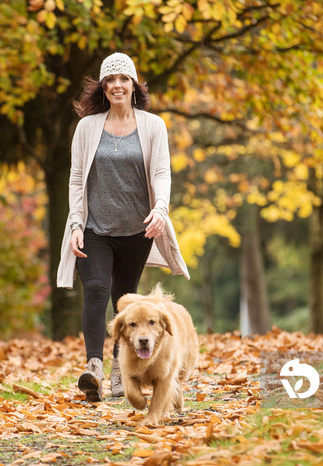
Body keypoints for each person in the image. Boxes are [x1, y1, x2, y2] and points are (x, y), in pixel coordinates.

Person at [56, 52, 190, 402]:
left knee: (125, 302)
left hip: (137, 231)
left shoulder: (152, 126)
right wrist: (74, 223)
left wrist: (161, 209)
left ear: (134, 86)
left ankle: (121, 370)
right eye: (110, 79)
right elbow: (74, 179)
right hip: (94, 228)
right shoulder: (87, 127)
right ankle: (94, 368)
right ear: (103, 87)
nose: (117, 84)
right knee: (96, 289)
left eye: (123, 79)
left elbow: (162, 173)